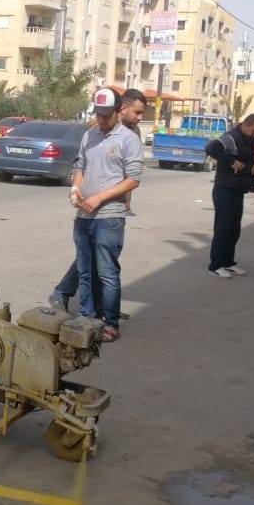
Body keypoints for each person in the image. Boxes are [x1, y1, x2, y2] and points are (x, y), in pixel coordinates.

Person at [68, 87, 146, 342]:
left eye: (106, 115)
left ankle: (110, 322)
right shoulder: (89, 135)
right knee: (84, 269)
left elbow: (133, 179)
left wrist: (100, 197)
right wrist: (76, 188)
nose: (101, 120)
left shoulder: (128, 139)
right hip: (84, 214)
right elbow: (81, 166)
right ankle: (86, 315)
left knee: (107, 271)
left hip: (109, 216)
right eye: (98, 114)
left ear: (118, 111)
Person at [204, 113, 254, 278]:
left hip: (239, 189)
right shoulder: (231, 137)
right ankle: (215, 265)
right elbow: (211, 148)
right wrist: (231, 162)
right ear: (244, 125)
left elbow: (250, 157)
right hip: (225, 188)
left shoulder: (249, 140)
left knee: (234, 229)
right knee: (223, 228)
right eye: (253, 131)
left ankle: (228, 262)